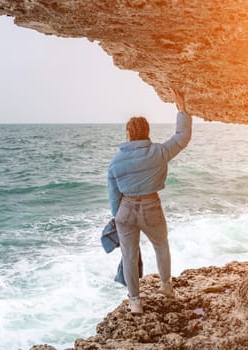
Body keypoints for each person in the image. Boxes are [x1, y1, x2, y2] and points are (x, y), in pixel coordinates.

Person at [107, 88, 192, 314]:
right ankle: (166, 286)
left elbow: (114, 196)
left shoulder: (116, 162)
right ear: (147, 131)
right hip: (151, 207)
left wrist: (117, 218)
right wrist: (181, 110)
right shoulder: (159, 152)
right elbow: (182, 138)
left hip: (125, 211)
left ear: (128, 133)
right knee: (161, 247)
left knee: (129, 255)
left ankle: (135, 301)